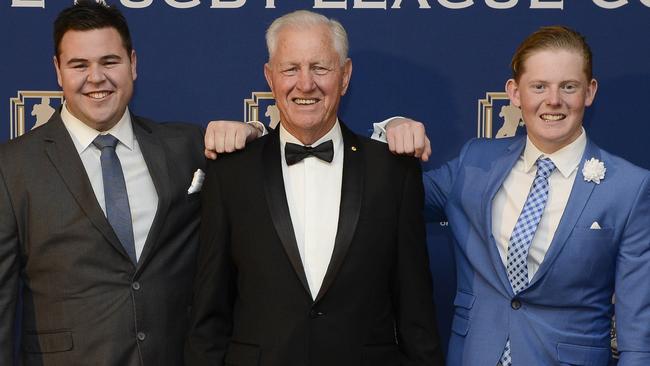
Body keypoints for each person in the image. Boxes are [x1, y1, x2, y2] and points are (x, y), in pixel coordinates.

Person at [374, 26, 650, 365]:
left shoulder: (629, 187)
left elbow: (637, 331)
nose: (553, 100)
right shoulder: (475, 162)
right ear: (515, 93)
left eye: (568, 86)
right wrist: (391, 128)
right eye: (539, 86)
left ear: (589, 92)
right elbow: (390, 196)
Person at [185, 10, 444, 366]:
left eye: (320, 68)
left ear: (345, 76)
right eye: (290, 69)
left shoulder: (392, 172)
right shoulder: (231, 173)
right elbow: (208, 315)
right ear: (270, 77)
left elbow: (417, 312)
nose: (305, 84)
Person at [0, 1, 249, 364]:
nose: (96, 77)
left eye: (109, 62)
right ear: (57, 71)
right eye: (79, 65)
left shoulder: (185, 148)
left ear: (133, 63)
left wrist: (253, 129)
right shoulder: (13, 167)